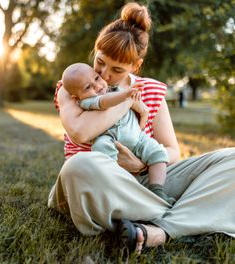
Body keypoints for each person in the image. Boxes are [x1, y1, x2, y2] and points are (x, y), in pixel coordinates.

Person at [48, 1, 235, 256]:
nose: (104, 75)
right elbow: (79, 132)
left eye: (117, 69)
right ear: (96, 50)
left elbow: (172, 151)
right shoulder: (74, 85)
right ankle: (183, 213)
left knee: (232, 160)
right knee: (79, 166)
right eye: (100, 61)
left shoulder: (151, 90)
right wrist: (126, 101)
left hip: (145, 181)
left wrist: (139, 165)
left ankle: (158, 230)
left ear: (135, 66)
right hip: (99, 183)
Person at [62, 62, 175, 204]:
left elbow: (142, 108)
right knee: (102, 153)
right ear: (76, 97)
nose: (97, 87)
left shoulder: (115, 89)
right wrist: (126, 95)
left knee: (158, 152)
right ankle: (113, 190)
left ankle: (157, 190)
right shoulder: (87, 102)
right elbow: (105, 102)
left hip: (138, 139)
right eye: (88, 87)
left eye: (97, 79)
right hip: (109, 139)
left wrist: (141, 114)